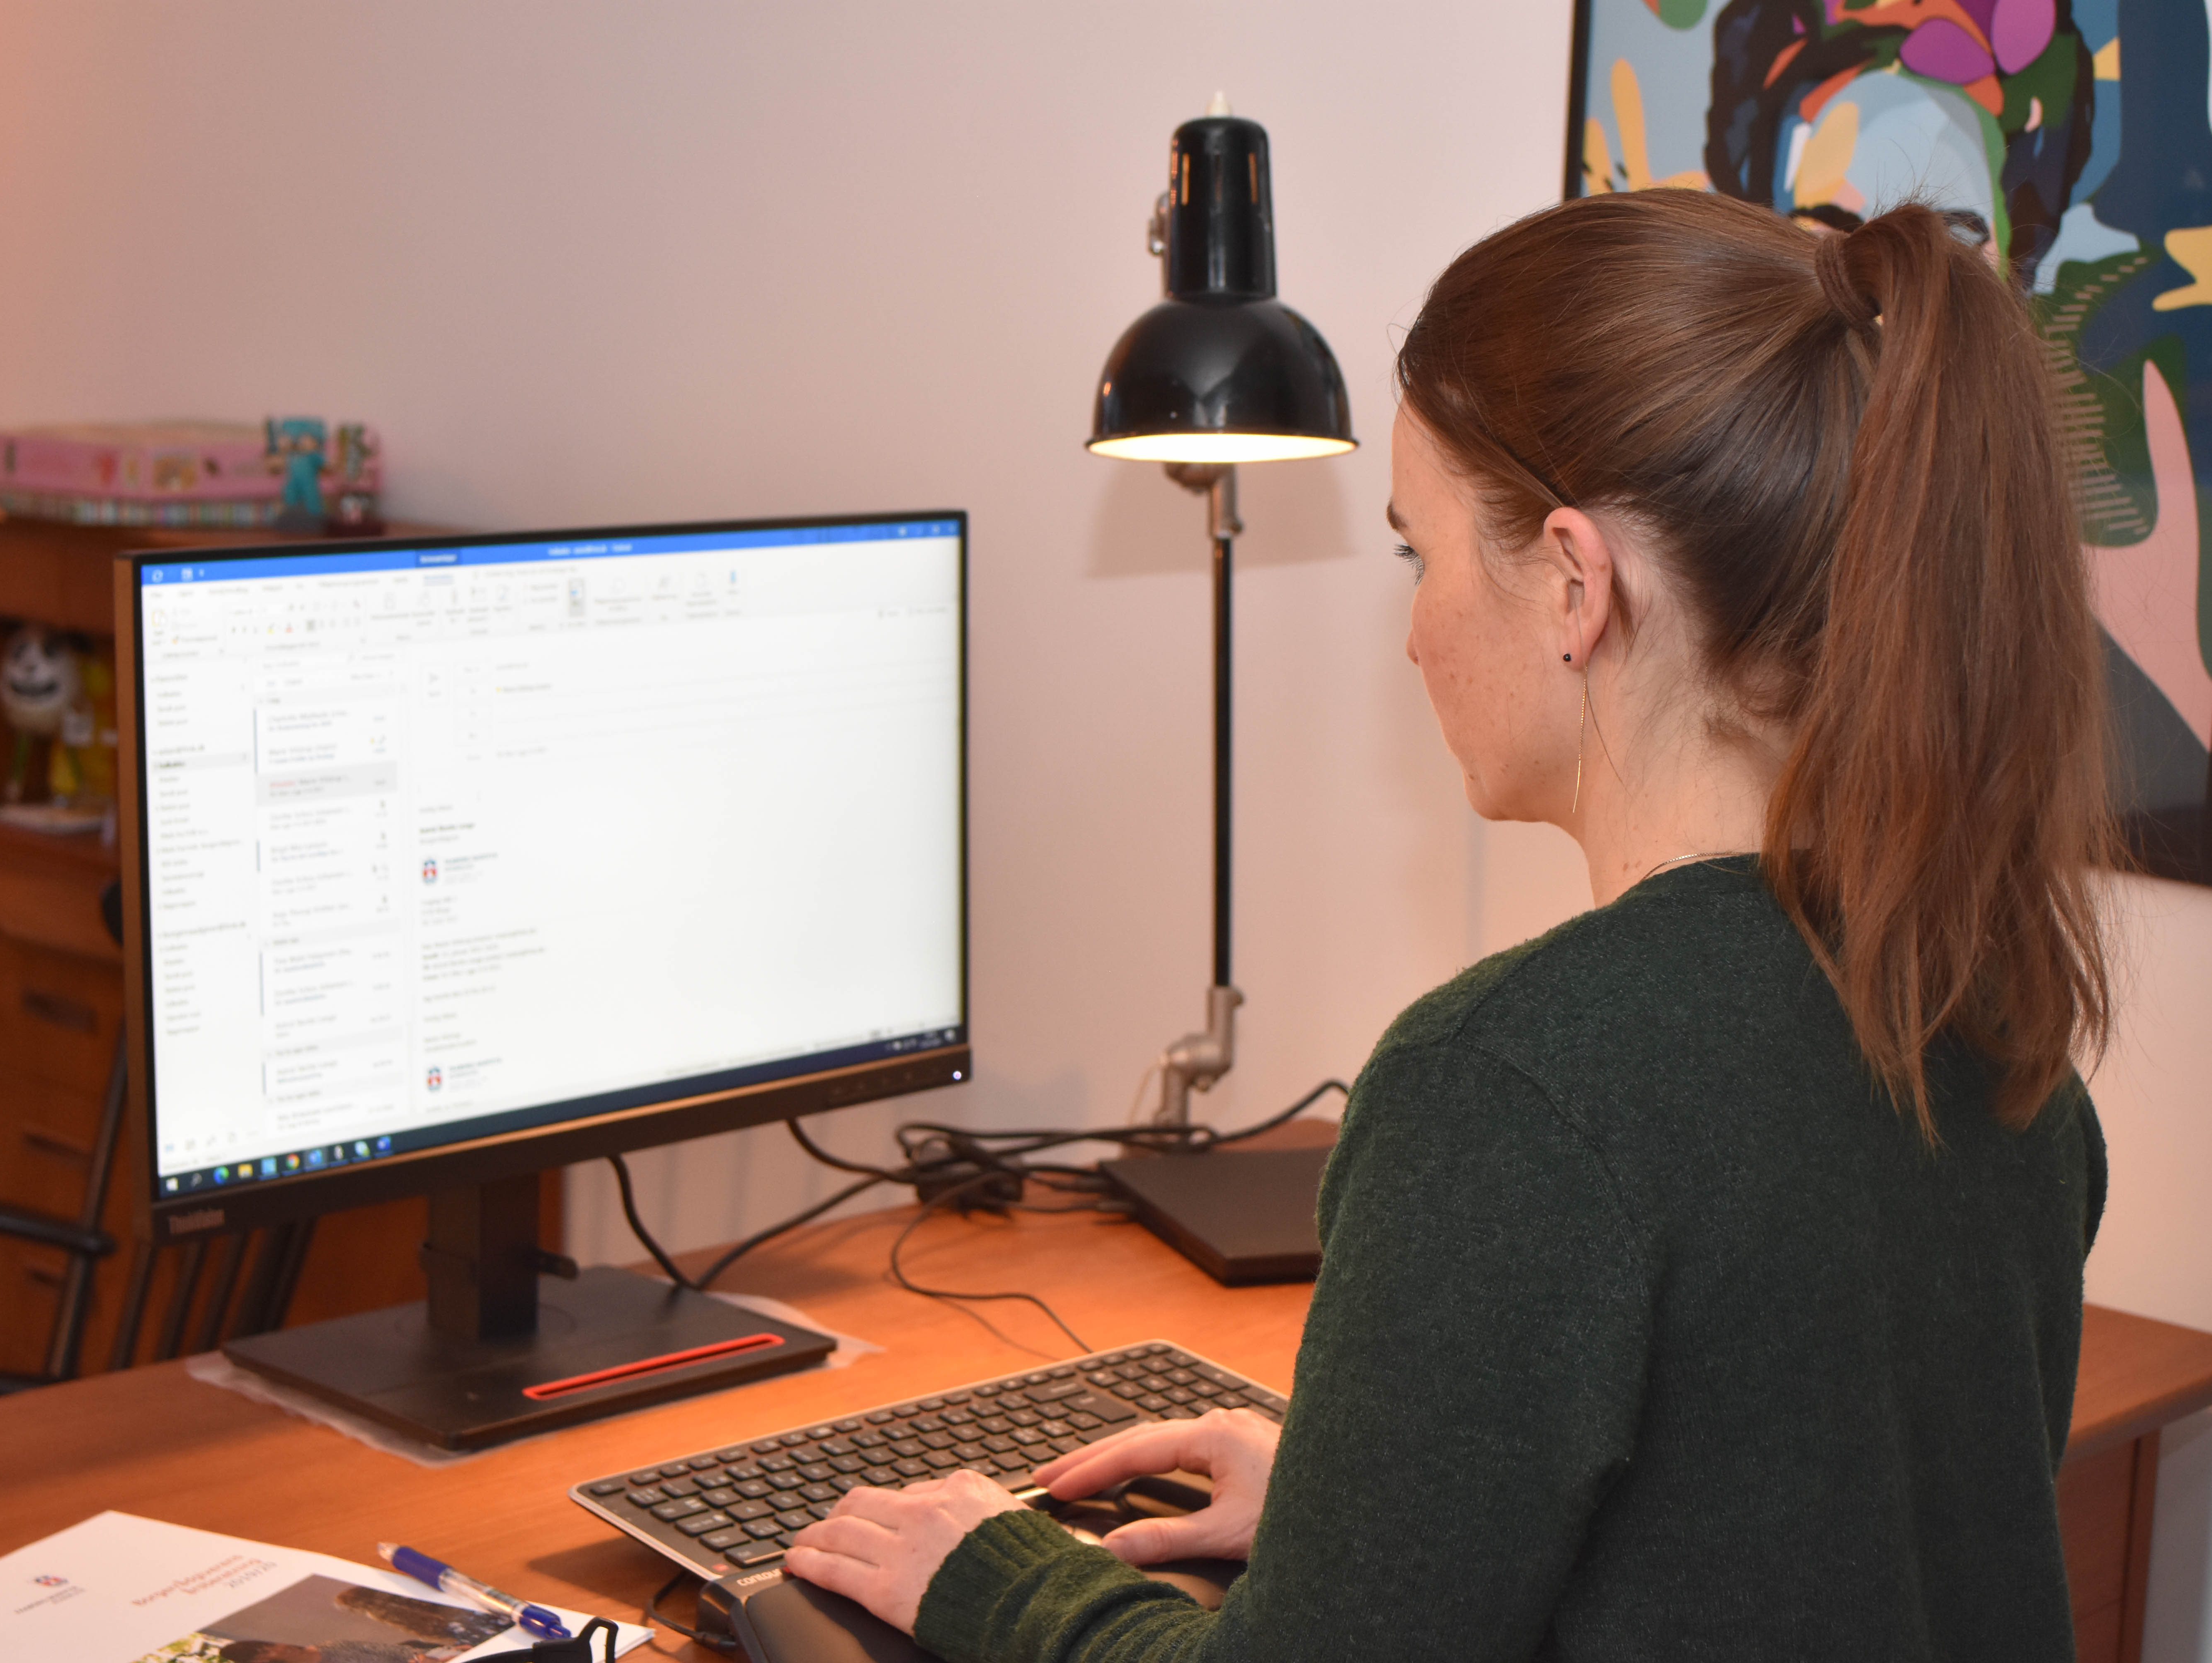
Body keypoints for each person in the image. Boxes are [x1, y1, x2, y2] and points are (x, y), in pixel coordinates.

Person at [786, 190, 2113, 1660]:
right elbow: (1781, 1531)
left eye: (1417, 553)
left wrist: (1000, 1576)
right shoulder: (1979, 1013)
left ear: (1572, 583)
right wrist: (1373, 1518)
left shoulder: (1512, 1088)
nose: (1414, 632)